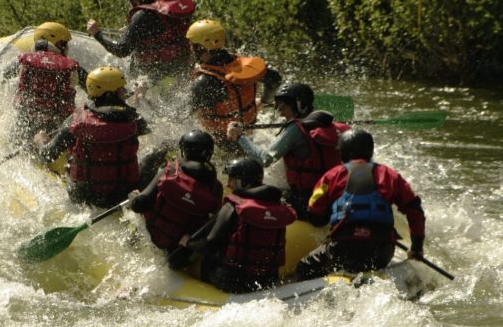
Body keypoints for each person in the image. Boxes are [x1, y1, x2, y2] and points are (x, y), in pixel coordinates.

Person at [295, 129, 426, 280]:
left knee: (304, 267)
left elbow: (314, 211)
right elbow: (415, 210)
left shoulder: (332, 176)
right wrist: (416, 247)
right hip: (382, 251)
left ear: (346, 153)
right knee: (371, 259)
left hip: (344, 249)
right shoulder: (390, 175)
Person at [34, 66, 152, 208]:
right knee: (155, 155)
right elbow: (149, 128)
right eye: (122, 89)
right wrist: (139, 97)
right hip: (121, 196)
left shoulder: (76, 120)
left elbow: (48, 155)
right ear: (110, 94)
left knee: (69, 155)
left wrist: (41, 139)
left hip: (82, 197)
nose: (125, 91)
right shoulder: (133, 119)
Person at [226, 82, 349, 215]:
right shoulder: (329, 126)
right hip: (333, 192)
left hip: (306, 197)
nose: (281, 110)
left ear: (298, 105)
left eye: (284, 105)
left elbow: (265, 159)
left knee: (257, 192)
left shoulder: (295, 129)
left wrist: (239, 137)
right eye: (278, 105)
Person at [178, 158, 297, 293]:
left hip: (233, 282)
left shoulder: (233, 206)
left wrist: (188, 243)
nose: (228, 184)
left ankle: (207, 290)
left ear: (244, 182)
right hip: (267, 281)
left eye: (232, 179)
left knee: (208, 254)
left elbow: (211, 244)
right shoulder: (278, 207)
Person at [128, 130, 224, 268]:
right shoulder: (216, 188)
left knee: (134, 211)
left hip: (151, 235)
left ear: (184, 150)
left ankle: (131, 248)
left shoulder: (170, 170)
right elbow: (213, 224)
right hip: (179, 250)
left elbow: (140, 205)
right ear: (208, 153)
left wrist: (134, 198)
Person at [86, 0, 195, 81]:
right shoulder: (170, 5)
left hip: (157, 75)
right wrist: (132, 28)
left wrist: (97, 34)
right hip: (184, 68)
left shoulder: (142, 16)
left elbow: (122, 50)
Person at [187, 19, 281, 146]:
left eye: (192, 45)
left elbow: (183, 114)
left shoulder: (204, 82)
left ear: (200, 47)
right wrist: (264, 101)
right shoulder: (245, 66)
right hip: (248, 133)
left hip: (221, 141)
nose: (191, 49)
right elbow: (274, 79)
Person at [3, 22, 88, 140]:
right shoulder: (72, 68)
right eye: (65, 44)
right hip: (56, 130)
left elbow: (4, 75)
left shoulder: (23, 61)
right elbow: (94, 89)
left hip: (24, 125)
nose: (67, 48)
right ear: (58, 44)